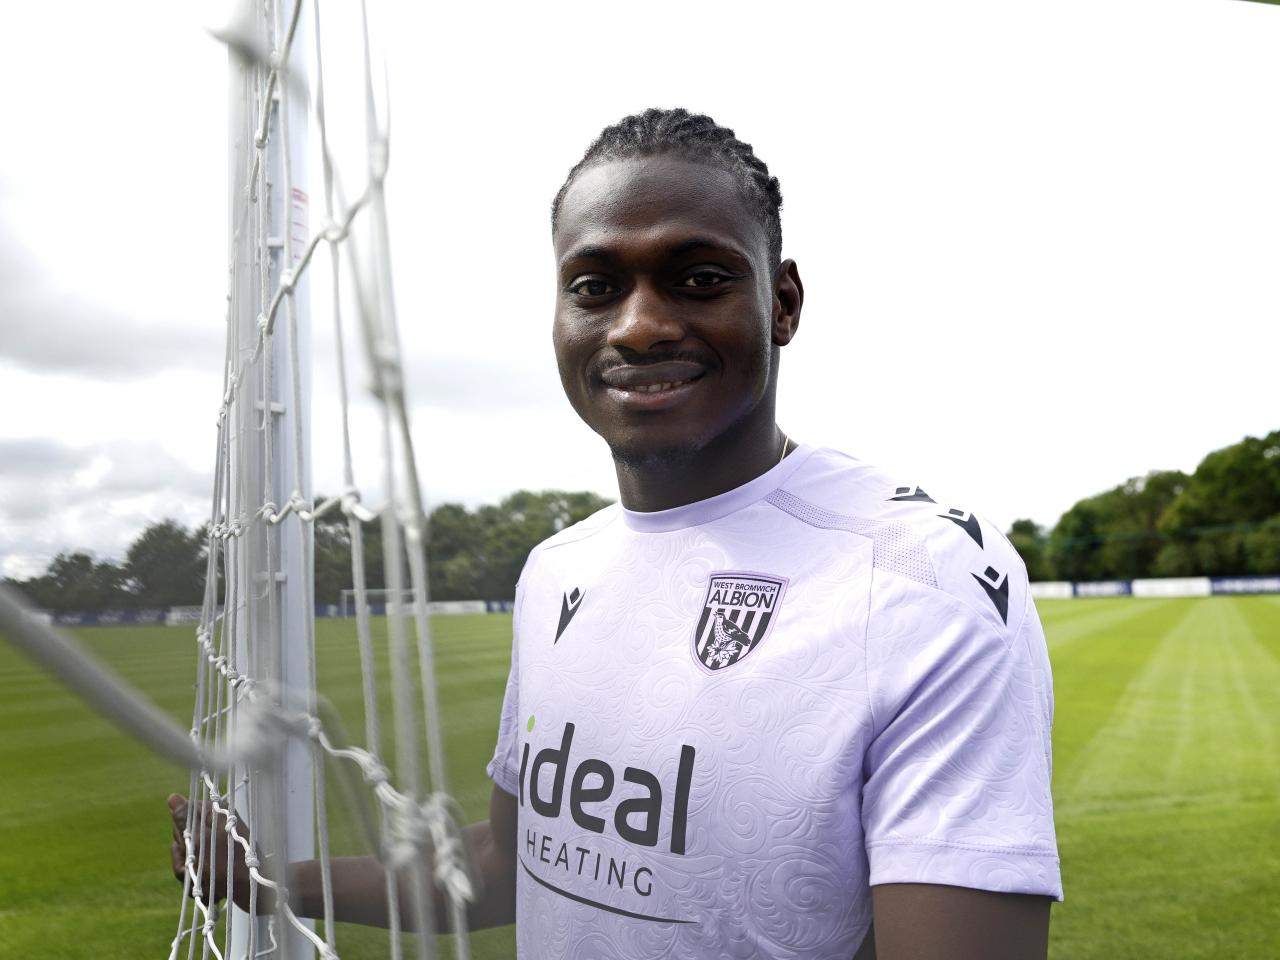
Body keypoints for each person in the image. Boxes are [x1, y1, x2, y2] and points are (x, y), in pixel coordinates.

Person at [172, 107, 1061, 959]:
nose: (639, 326)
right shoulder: (558, 571)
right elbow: (508, 869)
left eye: (699, 278)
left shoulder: (922, 576)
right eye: (596, 286)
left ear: (783, 302)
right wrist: (271, 878)